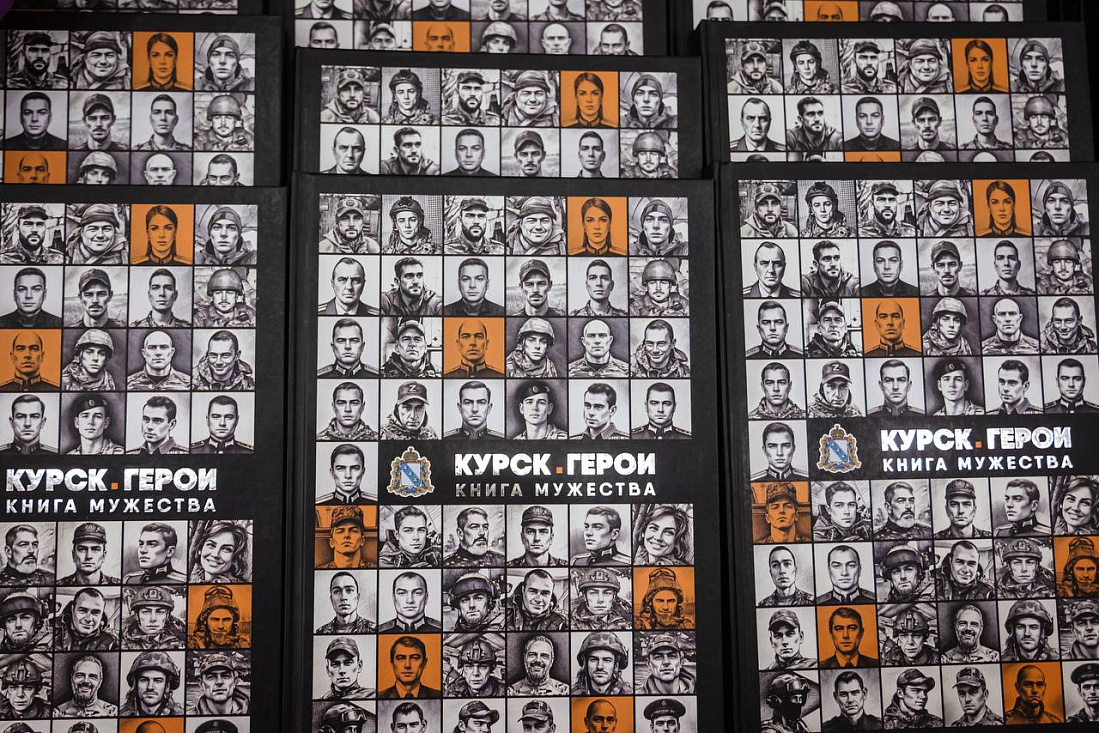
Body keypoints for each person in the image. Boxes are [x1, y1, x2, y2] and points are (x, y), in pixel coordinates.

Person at [53, 585, 119, 651]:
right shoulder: (51, 629)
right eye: (83, 611)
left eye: (95, 612)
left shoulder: (112, 642)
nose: (88, 619)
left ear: (101, 615)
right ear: (73, 609)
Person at [120, 586, 185, 650]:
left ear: (167, 616)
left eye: (160, 612)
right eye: (146, 612)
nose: (153, 619)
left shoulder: (179, 641)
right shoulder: (121, 642)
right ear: (137, 615)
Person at [119, 651, 184, 715]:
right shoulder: (120, 714)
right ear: (135, 684)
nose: (150, 687)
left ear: (167, 686)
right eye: (144, 680)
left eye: (158, 681)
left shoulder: (180, 714)